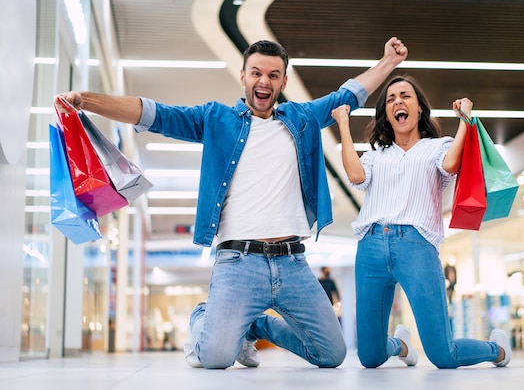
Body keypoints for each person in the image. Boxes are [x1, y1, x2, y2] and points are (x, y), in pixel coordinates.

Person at [55, 37, 408, 369]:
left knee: (332, 354)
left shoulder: (301, 119)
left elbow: (349, 94)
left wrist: (388, 61)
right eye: (256, 73)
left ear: (283, 82)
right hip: (238, 264)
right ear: (243, 76)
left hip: (293, 264)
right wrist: (88, 101)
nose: (264, 81)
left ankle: (256, 327)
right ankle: (203, 315)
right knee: (214, 358)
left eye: (273, 75)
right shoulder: (216, 119)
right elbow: (154, 114)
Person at [331, 75, 512, 369]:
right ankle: (400, 345)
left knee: (443, 355)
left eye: (405, 96)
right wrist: (342, 124)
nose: (397, 102)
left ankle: (497, 349)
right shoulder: (377, 156)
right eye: (390, 99)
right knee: (370, 357)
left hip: (417, 247)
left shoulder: (438, 147)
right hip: (370, 249)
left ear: (418, 110)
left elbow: (452, 164)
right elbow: (355, 176)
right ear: (387, 116)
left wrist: (466, 120)